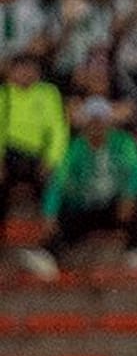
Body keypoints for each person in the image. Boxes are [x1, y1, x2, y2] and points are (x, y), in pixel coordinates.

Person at [28, 96, 137, 278]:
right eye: (92, 121)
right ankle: (49, 255)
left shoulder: (124, 142)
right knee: (63, 209)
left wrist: (129, 195)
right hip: (86, 206)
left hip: (114, 206)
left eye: (100, 121)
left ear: (108, 122)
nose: (96, 126)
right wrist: (49, 214)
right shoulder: (75, 148)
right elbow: (57, 184)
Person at [1, 53, 66, 227]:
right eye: (22, 69)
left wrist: (51, 161)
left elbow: (58, 129)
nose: (27, 73)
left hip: (39, 154)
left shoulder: (49, 93)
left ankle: (50, 236)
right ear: (11, 72)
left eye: (32, 69)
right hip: (9, 153)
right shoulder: (4, 94)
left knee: (58, 181)